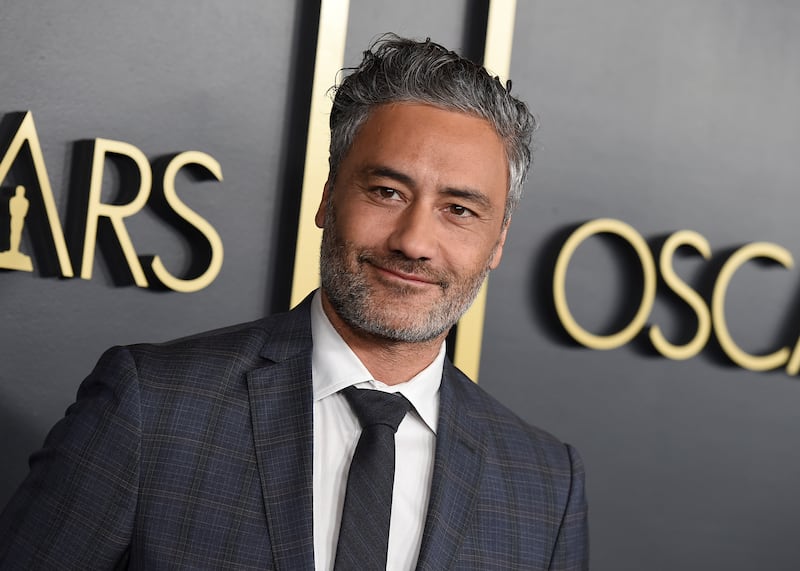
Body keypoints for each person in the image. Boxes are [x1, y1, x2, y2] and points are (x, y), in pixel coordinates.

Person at [0, 35, 588, 570]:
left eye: (459, 209)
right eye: (386, 191)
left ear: (498, 241)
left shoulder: (544, 484)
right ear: (328, 199)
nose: (413, 241)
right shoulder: (150, 407)